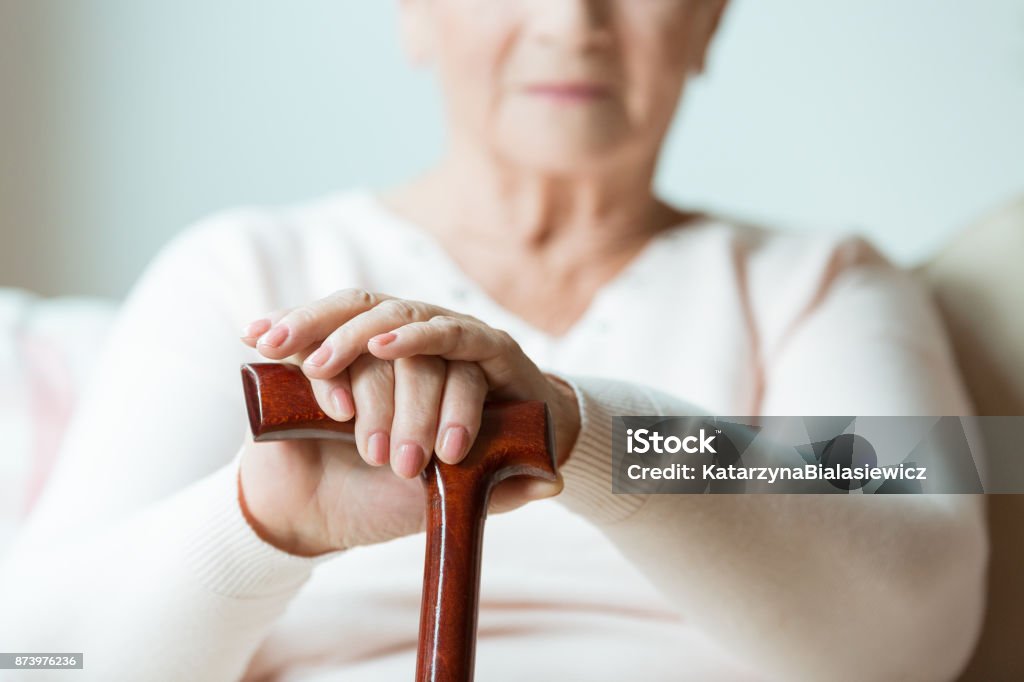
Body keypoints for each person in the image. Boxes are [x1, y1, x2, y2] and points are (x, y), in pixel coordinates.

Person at [0, 1, 987, 680]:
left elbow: (923, 618)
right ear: (412, 11)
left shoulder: (829, 280)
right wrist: (262, 518)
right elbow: (37, 658)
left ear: (711, 17)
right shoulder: (242, 270)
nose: (572, 23)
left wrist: (578, 435)